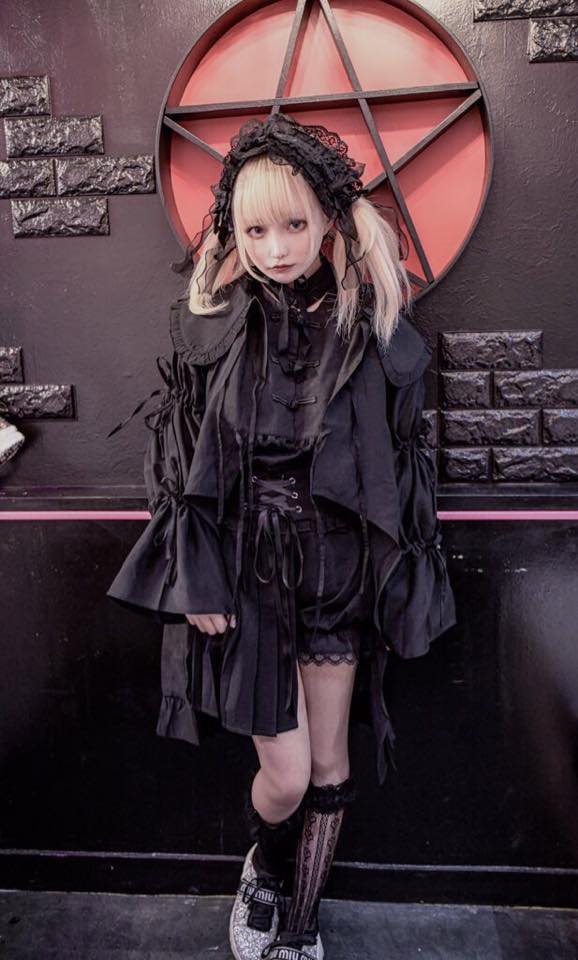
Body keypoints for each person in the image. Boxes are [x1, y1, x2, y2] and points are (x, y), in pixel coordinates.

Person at [106, 114, 457, 960]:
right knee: (288, 774)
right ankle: (264, 866)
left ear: (329, 220)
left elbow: (400, 462)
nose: (276, 248)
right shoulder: (216, 326)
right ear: (234, 231)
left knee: (332, 769)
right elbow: (184, 467)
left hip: (338, 575)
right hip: (250, 576)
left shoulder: (369, 327)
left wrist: (396, 586)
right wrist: (197, 581)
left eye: (295, 224)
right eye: (256, 229)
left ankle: (300, 922)